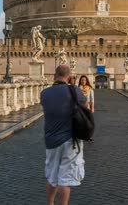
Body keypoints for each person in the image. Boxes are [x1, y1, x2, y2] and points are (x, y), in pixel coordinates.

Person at [40, 65, 87, 205]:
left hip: (51, 140)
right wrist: (72, 86)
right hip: (71, 140)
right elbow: (83, 102)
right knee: (65, 180)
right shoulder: (75, 91)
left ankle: (50, 203)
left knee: (51, 176)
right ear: (70, 77)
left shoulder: (45, 93)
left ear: (54, 77)